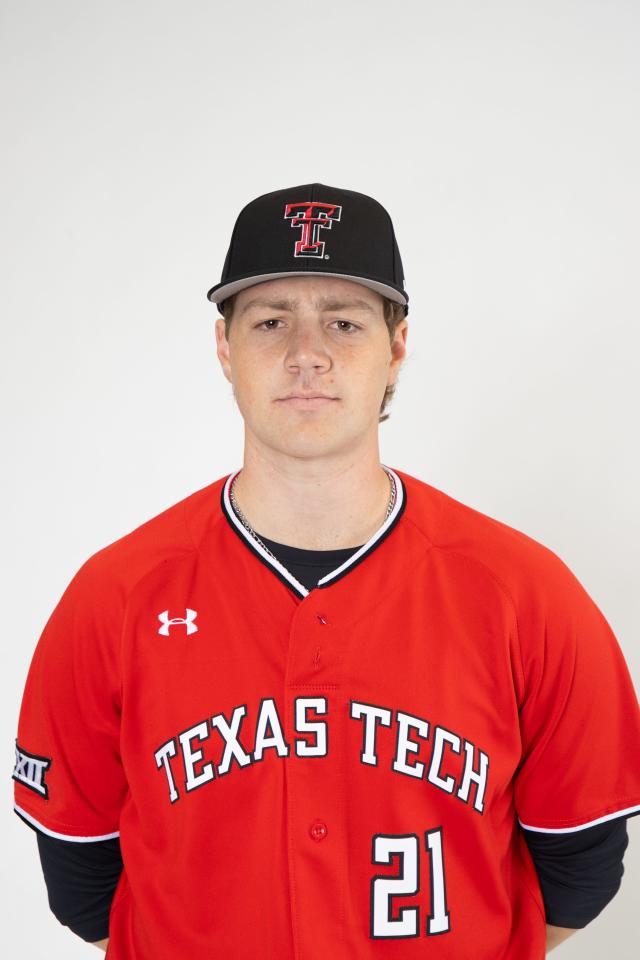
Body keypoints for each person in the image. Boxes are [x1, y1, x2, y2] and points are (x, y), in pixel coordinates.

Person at [12, 182, 640, 959]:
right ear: (224, 348)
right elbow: (80, 876)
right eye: (271, 320)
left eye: (342, 321)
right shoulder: (114, 598)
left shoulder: (527, 594)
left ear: (396, 347)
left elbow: (581, 866)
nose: (306, 353)